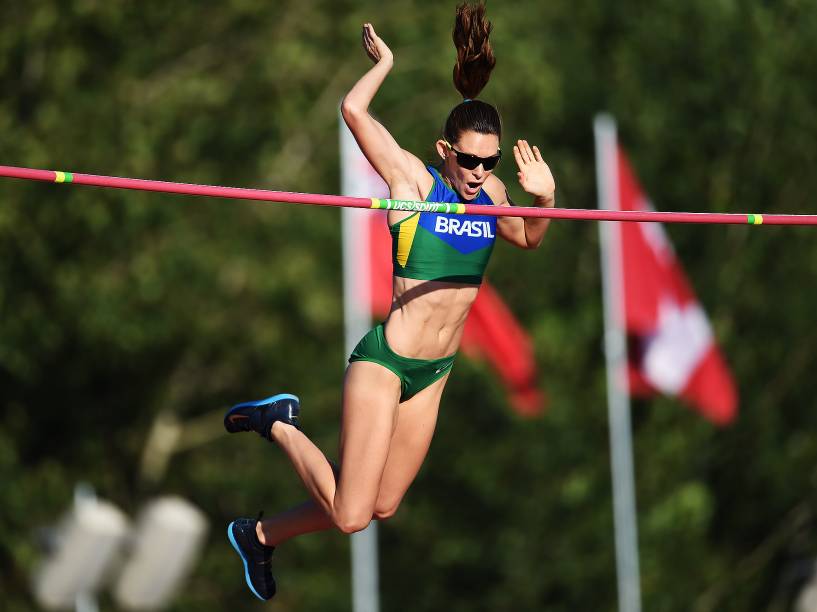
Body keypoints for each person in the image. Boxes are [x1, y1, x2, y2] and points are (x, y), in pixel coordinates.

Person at [223, 2, 556, 601]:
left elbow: (530, 238)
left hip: (434, 374)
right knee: (350, 514)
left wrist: (546, 199)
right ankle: (278, 423)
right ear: (444, 149)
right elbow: (353, 110)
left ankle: (262, 535)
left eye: (490, 161)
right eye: (469, 159)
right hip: (386, 363)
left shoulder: (498, 195)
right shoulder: (412, 182)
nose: (480, 172)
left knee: (379, 505)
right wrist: (386, 65)